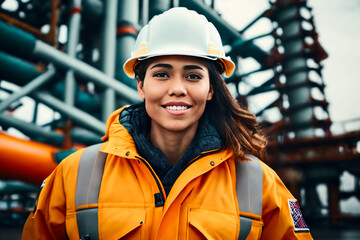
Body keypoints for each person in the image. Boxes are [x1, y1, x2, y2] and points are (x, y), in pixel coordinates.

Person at [22, 7, 313, 240]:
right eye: (162, 74)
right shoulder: (74, 175)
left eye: (193, 75)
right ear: (141, 86)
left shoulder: (258, 183)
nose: (177, 88)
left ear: (211, 89)